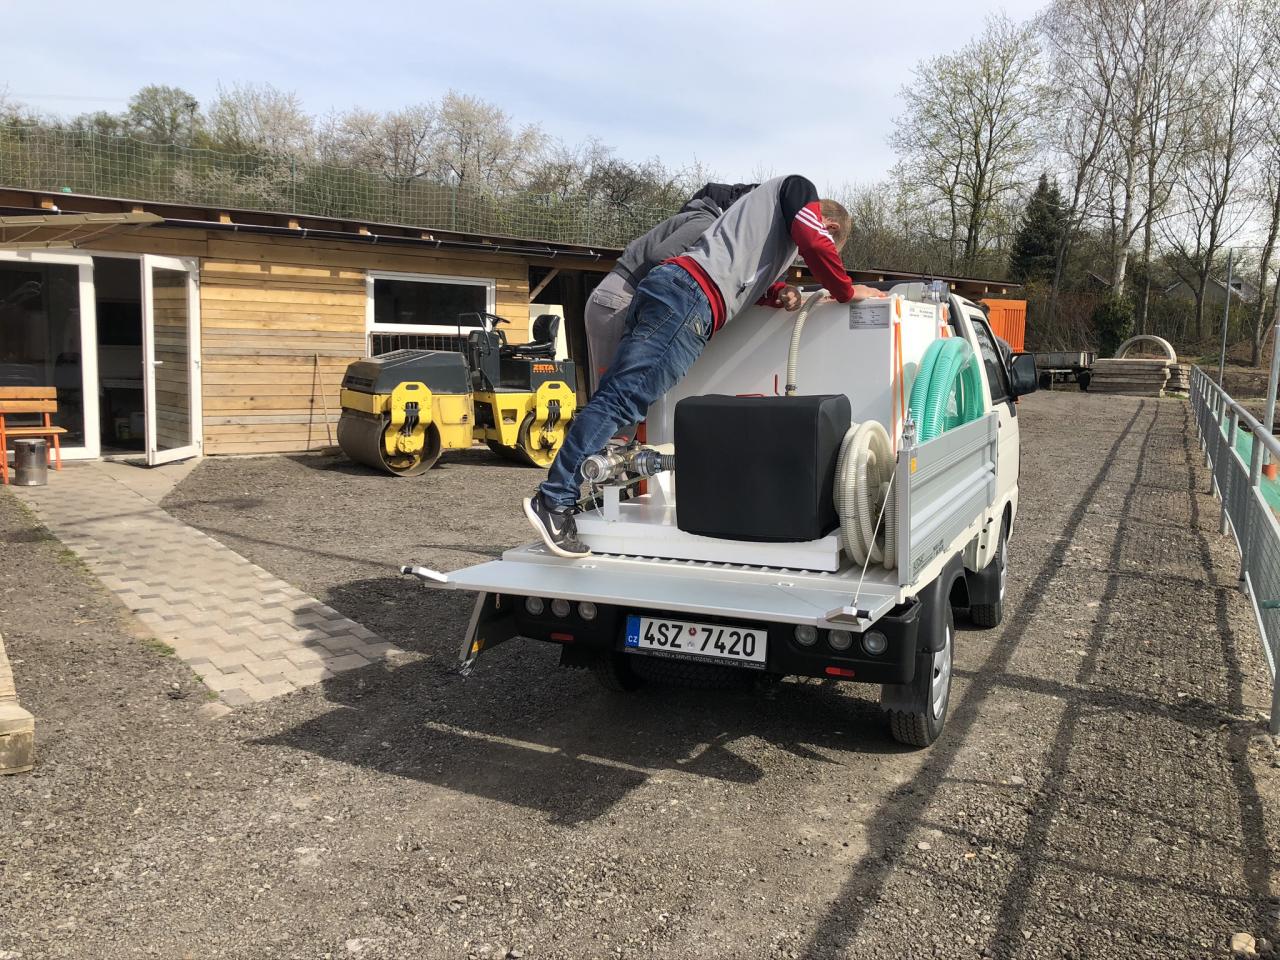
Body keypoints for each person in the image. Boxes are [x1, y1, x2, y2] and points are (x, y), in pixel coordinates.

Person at [526, 174, 877, 557]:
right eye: (829, 245)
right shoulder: (798, 189)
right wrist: (846, 290)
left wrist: (778, 291)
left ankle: (572, 493)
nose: (809, 258)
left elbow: (737, 274)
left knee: (623, 401)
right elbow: (812, 241)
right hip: (689, 298)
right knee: (621, 400)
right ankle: (554, 499)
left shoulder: (764, 222)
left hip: (675, 288)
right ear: (831, 227)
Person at [584, 182, 755, 395]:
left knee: (613, 393)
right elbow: (660, 257)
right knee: (613, 395)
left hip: (616, 298)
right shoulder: (706, 222)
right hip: (620, 300)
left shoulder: (700, 219)